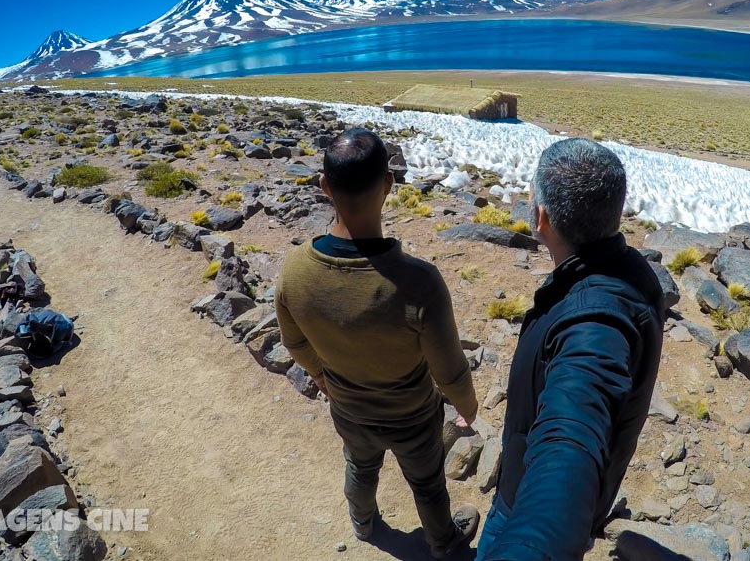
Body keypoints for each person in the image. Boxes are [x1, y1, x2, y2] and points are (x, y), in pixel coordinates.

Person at [276, 127, 481, 558]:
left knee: (360, 465)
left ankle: (364, 524)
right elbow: (449, 370)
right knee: (426, 483)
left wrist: (320, 375)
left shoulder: (295, 271)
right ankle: (443, 543)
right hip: (413, 417)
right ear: (388, 185)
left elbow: (293, 342)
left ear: (324, 186)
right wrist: (467, 406)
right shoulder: (418, 281)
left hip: (349, 409)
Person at [476, 138, 670, 561]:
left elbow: (572, 428)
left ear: (541, 217)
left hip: (522, 501)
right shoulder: (632, 270)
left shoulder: (591, 318)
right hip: (592, 494)